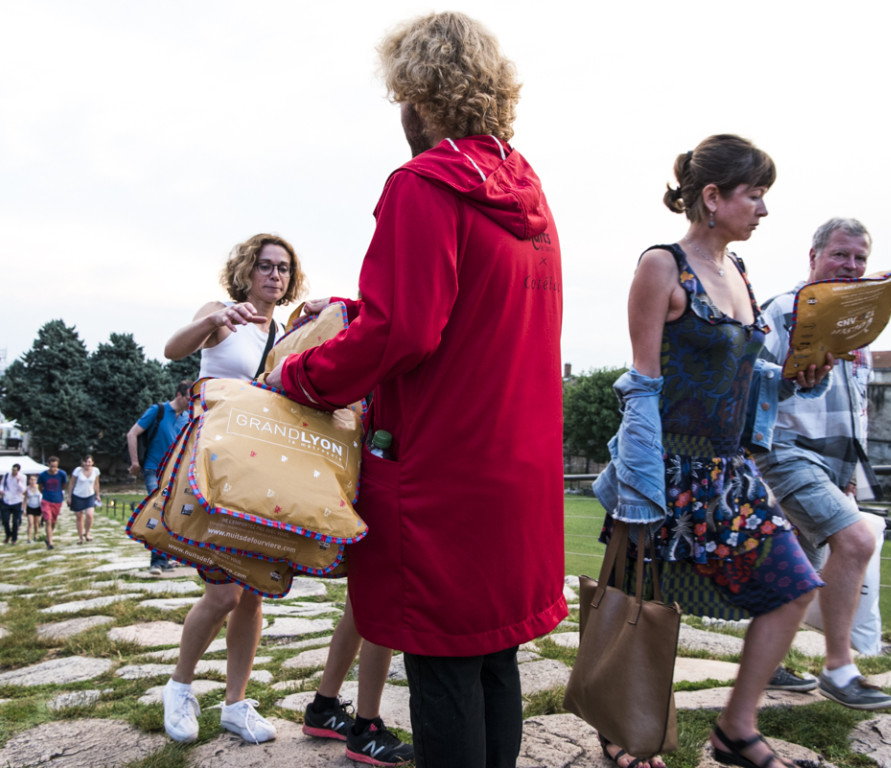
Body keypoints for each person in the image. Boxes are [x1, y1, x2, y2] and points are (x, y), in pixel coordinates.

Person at [268, 13, 567, 767]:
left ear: (419, 95)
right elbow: (462, 315)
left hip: (443, 467)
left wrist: (298, 375)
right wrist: (353, 309)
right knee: (492, 655)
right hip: (516, 471)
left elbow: (405, 333)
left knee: (441, 664)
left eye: (401, 93)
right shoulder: (527, 196)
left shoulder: (422, 185)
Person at [592, 135, 826, 768]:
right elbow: (641, 384)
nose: (764, 210)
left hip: (731, 474)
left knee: (793, 587)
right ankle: (624, 732)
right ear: (713, 196)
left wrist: (793, 375)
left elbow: (744, 378)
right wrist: (641, 492)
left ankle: (735, 728)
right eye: (755, 195)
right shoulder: (662, 265)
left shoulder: (740, 274)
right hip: (662, 469)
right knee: (643, 611)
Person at [157, 233, 306, 746]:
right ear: (246, 270)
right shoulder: (220, 313)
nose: (274, 275)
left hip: (260, 474)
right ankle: (179, 687)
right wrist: (212, 322)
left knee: (252, 593)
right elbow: (172, 349)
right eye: (265, 265)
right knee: (223, 591)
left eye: (283, 269)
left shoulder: (287, 331)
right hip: (214, 469)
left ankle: (235, 703)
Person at [751, 218, 891, 710]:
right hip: (789, 450)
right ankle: (840, 668)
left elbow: (857, 407)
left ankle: (764, 667)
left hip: (836, 464)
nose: (851, 266)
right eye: (840, 255)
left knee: (798, 571)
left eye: (859, 257)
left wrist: (851, 478)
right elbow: (748, 382)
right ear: (813, 257)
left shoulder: (862, 325)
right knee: (856, 539)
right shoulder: (782, 310)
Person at [126, 381, 192, 573]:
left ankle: (169, 557)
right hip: (153, 470)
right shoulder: (158, 410)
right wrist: (135, 462)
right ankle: (157, 561)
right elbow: (132, 434)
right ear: (179, 395)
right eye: (189, 397)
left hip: (175, 474)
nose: (191, 402)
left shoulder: (187, 418)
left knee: (174, 515)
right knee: (159, 509)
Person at [66, 455, 101, 544]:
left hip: (89, 495)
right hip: (77, 495)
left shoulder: (95, 471)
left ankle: (87, 533)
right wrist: (69, 496)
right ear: (82, 463)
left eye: (89, 462)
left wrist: (97, 495)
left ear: (92, 462)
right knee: (79, 516)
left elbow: (96, 484)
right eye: (85, 462)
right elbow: (71, 483)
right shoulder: (77, 470)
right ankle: (80, 537)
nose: (87, 464)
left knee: (90, 515)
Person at [38, 456, 68, 550]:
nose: (53, 469)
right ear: (48, 465)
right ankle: (50, 543)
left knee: (53, 522)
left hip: (57, 500)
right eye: (51, 466)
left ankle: (48, 537)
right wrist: (44, 493)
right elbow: (40, 487)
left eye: (55, 466)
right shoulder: (43, 475)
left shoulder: (62, 474)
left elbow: (63, 486)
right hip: (46, 499)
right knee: (48, 520)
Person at [0, 463, 26, 544]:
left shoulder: (23, 477)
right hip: (7, 499)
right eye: (12, 470)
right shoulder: (6, 475)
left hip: (17, 500)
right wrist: (1, 490)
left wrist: (18, 482)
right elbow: (2, 485)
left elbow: (23, 490)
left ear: (18, 471)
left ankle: (14, 538)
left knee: (15, 521)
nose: (13, 472)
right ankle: (8, 534)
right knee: (5, 519)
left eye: (15, 471)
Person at [24, 474, 43, 543]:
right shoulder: (27, 489)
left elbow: (42, 497)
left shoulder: (39, 487)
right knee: (30, 523)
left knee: (36, 523)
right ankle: (28, 538)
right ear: (29, 481)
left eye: (34, 480)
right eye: (31, 480)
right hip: (30, 507)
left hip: (37, 507)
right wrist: (24, 509)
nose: (32, 481)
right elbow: (25, 499)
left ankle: (35, 535)